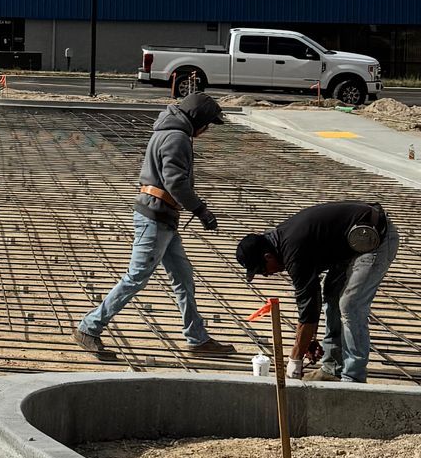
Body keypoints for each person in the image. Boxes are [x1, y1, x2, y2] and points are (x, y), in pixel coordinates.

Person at [77, 90, 238, 362]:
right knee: (136, 278)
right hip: (155, 217)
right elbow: (175, 183)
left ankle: (197, 338)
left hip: (163, 218)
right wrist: (201, 209)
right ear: (198, 119)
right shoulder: (177, 138)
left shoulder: (169, 131)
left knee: (183, 279)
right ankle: (89, 328)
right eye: (208, 123)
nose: (208, 129)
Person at [234, 198, 400, 384]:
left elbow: (308, 309)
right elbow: (311, 303)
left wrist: (294, 360)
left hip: (375, 240)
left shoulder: (293, 250)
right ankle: (332, 368)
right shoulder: (281, 242)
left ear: (267, 256)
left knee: (350, 305)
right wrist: (310, 339)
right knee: (331, 295)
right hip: (350, 244)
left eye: (263, 270)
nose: (266, 275)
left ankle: (353, 377)